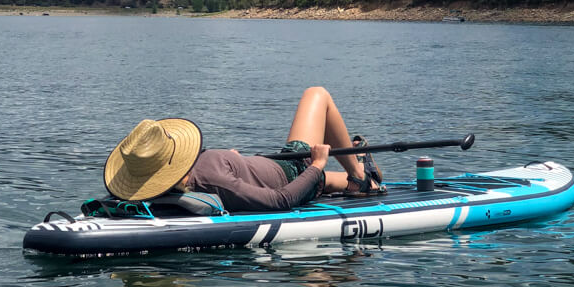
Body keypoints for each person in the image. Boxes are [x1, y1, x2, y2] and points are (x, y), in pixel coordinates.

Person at [103, 86, 384, 213]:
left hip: (271, 167)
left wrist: (233, 161)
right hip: (293, 168)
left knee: (351, 185)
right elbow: (280, 202)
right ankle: (359, 170)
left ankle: (361, 175)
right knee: (317, 94)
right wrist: (317, 164)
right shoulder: (212, 181)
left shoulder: (184, 179)